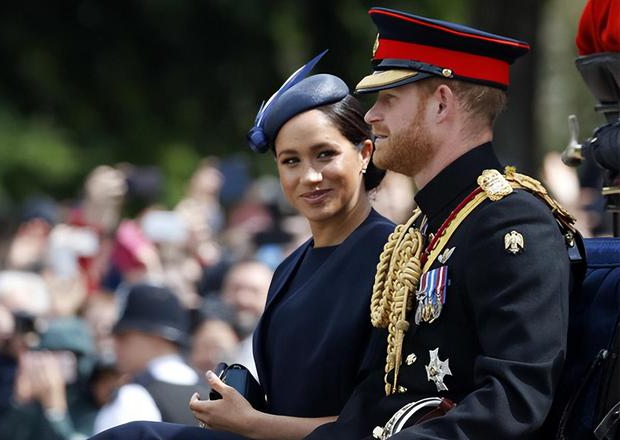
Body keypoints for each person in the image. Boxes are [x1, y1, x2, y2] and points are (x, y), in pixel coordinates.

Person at [305, 7, 583, 440]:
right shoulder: (425, 223)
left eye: (389, 100)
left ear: (441, 104)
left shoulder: (511, 221)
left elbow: (513, 401)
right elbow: (378, 397)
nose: (371, 117)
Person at [90, 51, 394, 440]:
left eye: (325, 154)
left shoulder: (391, 256)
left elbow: (380, 425)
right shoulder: (291, 267)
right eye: (290, 161)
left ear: (364, 153)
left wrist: (252, 423)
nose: (310, 176)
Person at [92, 283, 206, 434]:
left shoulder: (133, 398)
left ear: (156, 337)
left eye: (124, 336)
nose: (115, 344)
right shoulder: (211, 392)